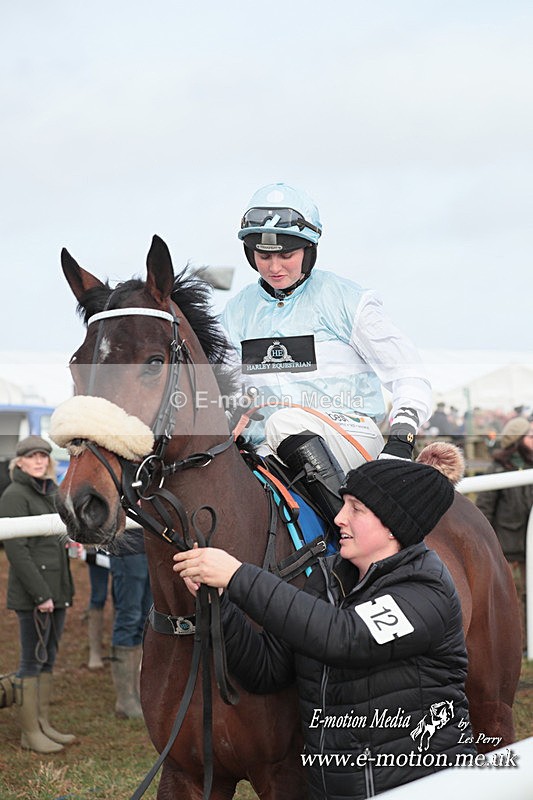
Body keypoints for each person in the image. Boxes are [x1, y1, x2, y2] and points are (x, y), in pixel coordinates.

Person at [173, 450, 476, 799]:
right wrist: (220, 601)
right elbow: (266, 669)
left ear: (394, 525)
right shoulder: (328, 578)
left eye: (356, 509)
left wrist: (238, 575)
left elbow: (346, 637)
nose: (340, 517)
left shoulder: (427, 590)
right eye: (344, 504)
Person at [220, 182, 432, 520]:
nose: (274, 267)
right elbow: (224, 386)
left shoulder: (349, 301)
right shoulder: (234, 313)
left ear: (309, 250)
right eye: (264, 256)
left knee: (284, 422)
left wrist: (402, 438)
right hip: (272, 451)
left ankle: (356, 525)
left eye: (286, 255)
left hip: (353, 439)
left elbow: (410, 375)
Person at [0, 435, 75, 753]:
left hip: (56, 590)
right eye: (32, 456)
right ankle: (30, 733)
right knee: (32, 659)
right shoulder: (15, 494)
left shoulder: (50, 491)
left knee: (48, 658)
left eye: (43, 456)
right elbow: (17, 551)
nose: (39, 461)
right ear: (20, 461)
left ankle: (42, 724)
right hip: (35, 594)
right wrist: (41, 594)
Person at [475, 416, 533, 650]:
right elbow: (484, 512)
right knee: (512, 600)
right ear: (517, 441)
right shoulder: (497, 470)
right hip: (507, 550)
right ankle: (516, 648)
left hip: (528, 548)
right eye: (529, 436)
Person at [108, 528, 152, 719]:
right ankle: (125, 699)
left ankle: (136, 691)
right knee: (129, 618)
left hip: (149, 547)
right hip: (127, 548)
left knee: (145, 619)